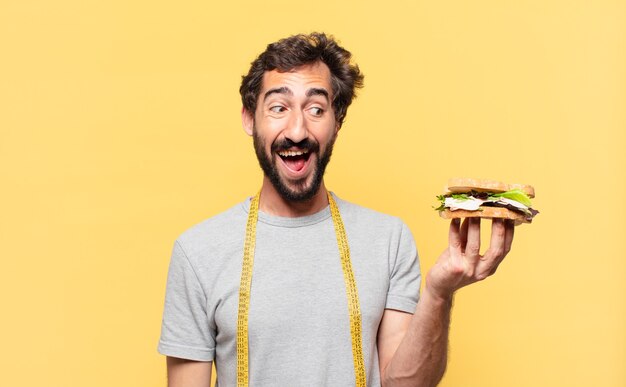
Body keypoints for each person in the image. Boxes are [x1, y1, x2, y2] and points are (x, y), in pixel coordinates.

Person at [158, 32, 515, 387]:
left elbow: (405, 385)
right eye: (278, 108)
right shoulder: (198, 252)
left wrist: (439, 294)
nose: (297, 130)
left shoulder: (388, 240)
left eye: (316, 109)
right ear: (250, 120)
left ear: (337, 122)